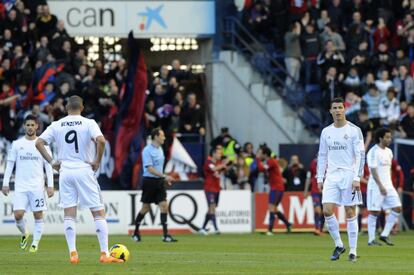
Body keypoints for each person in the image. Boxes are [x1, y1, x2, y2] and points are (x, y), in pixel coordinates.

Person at [35, 96, 123, 264]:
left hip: (65, 171)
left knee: (69, 214)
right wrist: (97, 160)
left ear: (66, 107)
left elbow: (39, 143)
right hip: (84, 170)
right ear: (82, 107)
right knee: (98, 212)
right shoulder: (89, 123)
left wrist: (52, 162)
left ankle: (73, 254)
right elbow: (102, 140)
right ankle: (104, 253)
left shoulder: (57, 124)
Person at [317, 97, 365, 262]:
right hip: (331, 176)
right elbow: (322, 155)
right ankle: (339, 244)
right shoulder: (326, 132)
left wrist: (357, 177)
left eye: (340, 107)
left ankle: (353, 250)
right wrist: (319, 177)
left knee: (350, 212)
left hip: (349, 175)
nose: (337, 110)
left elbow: (360, 156)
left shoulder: (354, 130)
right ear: (330, 111)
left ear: (345, 109)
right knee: (326, 210)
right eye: (334, 108)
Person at [1, 115, 54, 252]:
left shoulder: (43, 144)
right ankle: (25, 233)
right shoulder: (17, 144)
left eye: (32, 125)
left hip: (37, 187)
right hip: (20, 187)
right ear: (24, 126)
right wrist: (5, 183)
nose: (30, 127)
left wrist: (50, 186)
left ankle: (35, 243)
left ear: (37, 126)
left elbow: (49, 166)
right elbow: (10, 165)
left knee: (38, 215)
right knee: (18, 215)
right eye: (28, 125)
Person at [132, 127, 177, 243]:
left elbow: (158, 168)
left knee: (164, 205)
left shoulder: (160, 149)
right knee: (146, 208)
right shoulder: (147, 150)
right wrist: (164, 176)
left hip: (159, 181)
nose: (164, 137)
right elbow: (150, 168)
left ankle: (166, 235)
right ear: (156, 136)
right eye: (162, 135)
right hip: (149, 181)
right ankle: (136, 232)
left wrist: (163, 177)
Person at [366, 128, 402, 246]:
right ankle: (371, 240)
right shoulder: (373, 152)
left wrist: (389, 184)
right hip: (376, 186)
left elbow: (389, 170)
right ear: (381, 138)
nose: (389, 139)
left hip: (388, 185)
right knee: (374, 212)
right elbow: (373, 170)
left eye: (390, 137)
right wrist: (380, 185)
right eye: (387, 137)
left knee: (397, 208)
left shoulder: (389, 152)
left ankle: (384, 234)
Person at [257, 146, 292, 235]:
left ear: (265, 154)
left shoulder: (271, 161)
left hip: (277, 188)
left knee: (271, 207)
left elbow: (262, 169)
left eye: (260, 153)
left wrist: (257, 160)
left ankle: (270, 230)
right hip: (276, 187)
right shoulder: (269, 161)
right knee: (274, 209)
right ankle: (288, 224)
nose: (259, 154)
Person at [199, 147, 227, 235]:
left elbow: (222, 170)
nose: (220, 155)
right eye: (218, 153)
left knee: (212, 208)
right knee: (212, 207)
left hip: (217, 188)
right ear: (214, 154)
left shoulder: (218, 163)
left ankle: (203, 228)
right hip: (209, 188)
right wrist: (223, 165)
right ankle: (216, 229)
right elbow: (214, 169)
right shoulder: (208, 162)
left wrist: (226, 165)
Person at [304, 157, 324, 236]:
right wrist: (306, 190)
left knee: (324, 211)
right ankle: (317, 229)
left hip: (326, 191)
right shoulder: (313, 163)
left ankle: (320, 229)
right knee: (317, 210)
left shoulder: (330, 162)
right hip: (315, 191)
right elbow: (308, 178)